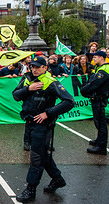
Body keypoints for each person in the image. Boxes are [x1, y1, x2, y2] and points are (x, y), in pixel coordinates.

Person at [12, 56, 74, 202]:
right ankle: (57, 178)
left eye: (38, 67)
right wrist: (28, 89)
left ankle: (31, 189)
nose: (34, 69)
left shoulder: (50, 82)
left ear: (45, 68)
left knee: (36, 157)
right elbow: (15, 95)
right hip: (29, 121)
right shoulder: (26, 78)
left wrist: (48, 113)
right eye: (32, 66)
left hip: (43, 125)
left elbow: (69, 101)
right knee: (42, 154)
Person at [81, 50, 109, 155]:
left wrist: (84, 90)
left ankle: (101, 147)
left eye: (96, 57)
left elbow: (94, 84)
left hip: (100, 99)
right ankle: (99, 140)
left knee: (101, 123)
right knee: (98, 122)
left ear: (102, 58)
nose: (93, 58)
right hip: (96, 98)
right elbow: (91, 80)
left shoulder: (105, 70)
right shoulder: (99, 68)